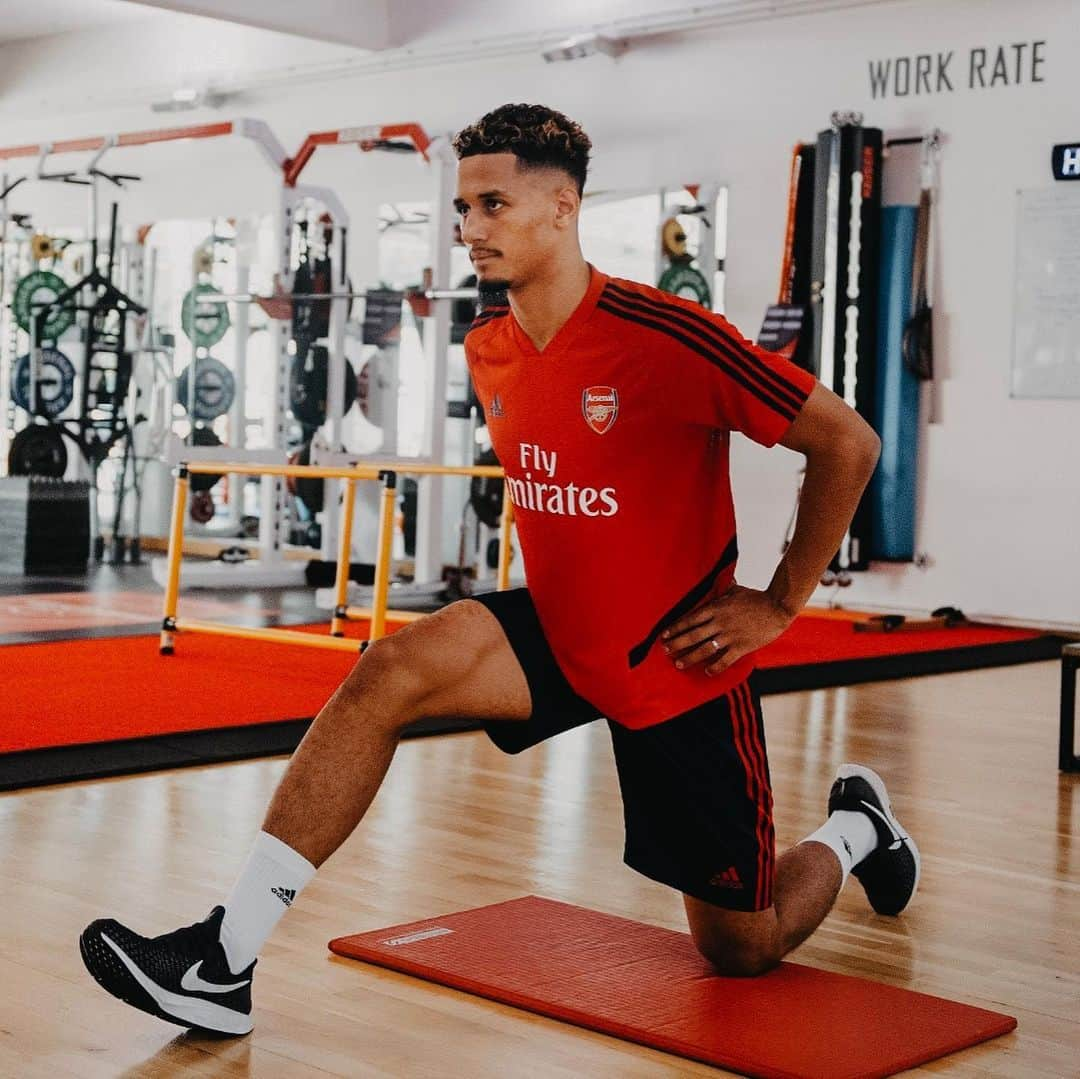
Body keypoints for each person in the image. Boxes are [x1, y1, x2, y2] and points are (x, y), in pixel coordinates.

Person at [80, 103, 919, 1037]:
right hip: (558, 634)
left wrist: (778, 601)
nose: (470, 228)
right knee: (385, 672)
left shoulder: (669, 335)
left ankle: (856, 829)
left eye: (493, 204)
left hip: (679, 660)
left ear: (562, 208)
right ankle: (223, 956)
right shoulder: (489, 347)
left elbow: (846, 440)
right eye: (463, 208)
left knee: (740, 950)